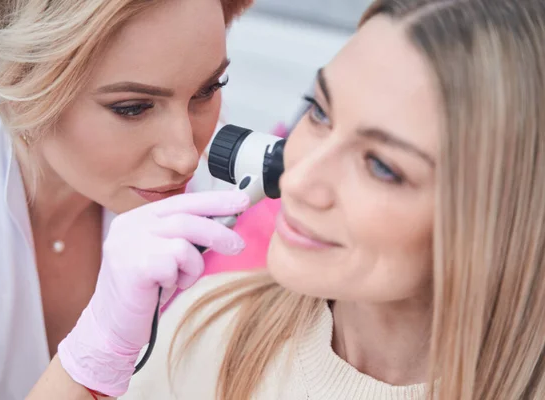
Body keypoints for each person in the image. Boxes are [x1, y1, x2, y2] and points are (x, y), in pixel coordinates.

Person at [123, 0, 545, 399]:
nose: (298, 180)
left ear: (504, 215)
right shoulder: (205, 335)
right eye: (320, 111)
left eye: (381, 166)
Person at [0, 0, 256, 398]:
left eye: (208, 89)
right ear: (20, 86)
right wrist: (100, 349)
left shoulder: (221, 185)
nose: (185, 157)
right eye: (132, 108)